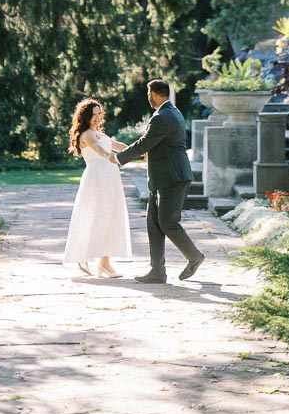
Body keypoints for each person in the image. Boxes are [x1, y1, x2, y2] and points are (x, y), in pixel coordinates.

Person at [115, 79, 205, 285]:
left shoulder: (162, 116)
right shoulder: (172, 112)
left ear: (155, 94)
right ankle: (157, 271)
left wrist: (118, 158)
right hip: (163, 176)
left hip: (172, 177)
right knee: (154, 224)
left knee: (167, 222)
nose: (147, 97)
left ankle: (195, 257)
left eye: (149, 93)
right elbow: (159, 143)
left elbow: (144, 143)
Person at [62, 98, 132, 277]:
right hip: (96, 181)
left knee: (110, 218)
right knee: (93, 218)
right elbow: (102, 152)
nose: (97, 118)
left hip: (111, 180)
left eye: (99, 114)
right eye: (93, 115)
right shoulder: (87, 134)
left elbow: (120, 146)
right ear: (85, 116)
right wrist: (115, 158)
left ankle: (105, 263)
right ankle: (82, 256)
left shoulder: (100, 133)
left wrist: (142, 151)